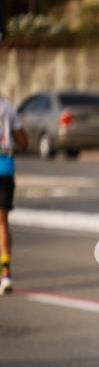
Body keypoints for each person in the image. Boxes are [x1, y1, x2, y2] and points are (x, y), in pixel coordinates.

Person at [0, 94, 28, 295]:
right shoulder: (8, 108)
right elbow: (23, 141)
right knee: (2, 222)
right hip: (6, 169)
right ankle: (6, 273)